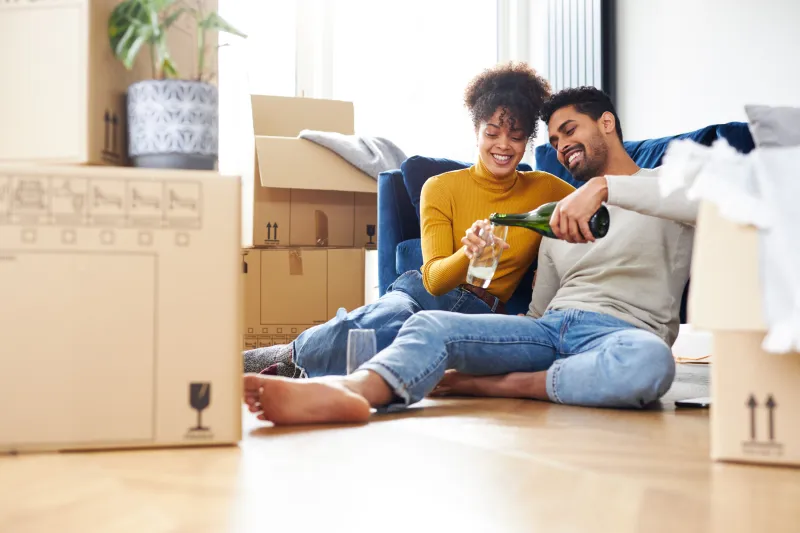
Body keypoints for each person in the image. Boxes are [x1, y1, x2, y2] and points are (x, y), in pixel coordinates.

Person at [243, 85, 694, 425]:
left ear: (608, 124)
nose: (560, 147)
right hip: (550, 331)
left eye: (569, 130)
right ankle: (352, 390)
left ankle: (489, 386)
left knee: (652, 364)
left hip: (621, 333)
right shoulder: (555, 215)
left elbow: (704, 199)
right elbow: (539, 311)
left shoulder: (673, 185)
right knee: (426, 323)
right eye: (554, 140)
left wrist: (601, 188)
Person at [243, 62, 575, 378]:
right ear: (477, 131)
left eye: (515, 137)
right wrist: (468, 254)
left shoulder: (545, 189)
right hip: (423, 292)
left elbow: (601, 210)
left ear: (528, 141)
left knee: (394, 331)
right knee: (385, 319)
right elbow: (434, 281)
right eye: (492, 133)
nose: (503, 145)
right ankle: (284, 361)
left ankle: (288, 364)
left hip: (481, 311)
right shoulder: (441, 187)